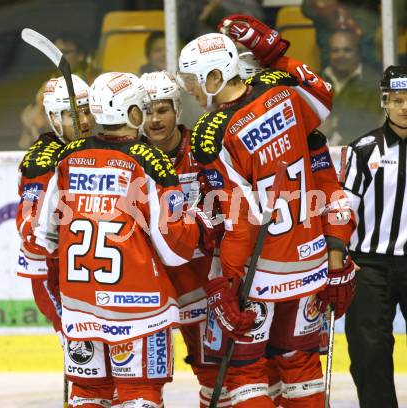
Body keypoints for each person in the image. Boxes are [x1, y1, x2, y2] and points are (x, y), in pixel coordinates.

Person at [177, 14, 356, 407]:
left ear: (214, 77)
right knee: (300, 365)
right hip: (309, 265)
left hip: (260, 276)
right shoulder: (287, 95)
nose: (190, 91)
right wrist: (273, 51)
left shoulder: (215, 132)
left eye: (192, 81)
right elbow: (323, 94)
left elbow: (241, 222)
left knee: (243, 375)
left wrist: (229, 284)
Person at [28, 71, 215, 407]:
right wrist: (201, 224)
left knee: (87, 396)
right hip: (139, 311)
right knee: (139, 395)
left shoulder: (67, 158)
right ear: (132, 111)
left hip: (81, 308)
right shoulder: (148, 160)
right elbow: (174, 248)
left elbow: (42, 236)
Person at [16, 75, 122, 407]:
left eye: (87, 111)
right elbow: (30, 229)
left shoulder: (98, 146)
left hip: (94, 278)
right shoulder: (43, 160)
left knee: (117, 378)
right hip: (56, 280)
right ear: (53, 118)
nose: (84, 121)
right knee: (88, 374)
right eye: (72, 115)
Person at [140, 70, 231, 407]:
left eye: (161, 109)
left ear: (177, 110)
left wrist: (203, 226)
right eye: (147, 111)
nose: (154, 119)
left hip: (201, 281)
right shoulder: (133, 158)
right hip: (153, 288)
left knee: (214, 375)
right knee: (143, 381)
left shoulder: (203, 148)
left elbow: (226, 203)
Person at [343, 65, 407, 408]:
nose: (405, 107)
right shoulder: (366, 150)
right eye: (397, 99)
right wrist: (335, 259)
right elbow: (341, 212)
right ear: (384, 102)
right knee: (370, 350)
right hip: (368, 265)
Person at [319, 29, 383, 145]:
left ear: (358, 52)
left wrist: (333, 124)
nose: (341, 56)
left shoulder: (373, 82)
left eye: (347, 50)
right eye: (335, 50)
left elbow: (372, 125)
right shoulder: (316, 81)